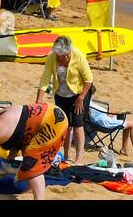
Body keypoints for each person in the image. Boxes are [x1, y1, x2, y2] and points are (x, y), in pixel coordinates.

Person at [36, 35, 92, 165]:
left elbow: (89, 79)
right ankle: (66, 155)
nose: (66, 57)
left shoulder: (77, 55)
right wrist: (38, 101)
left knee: (78, 125)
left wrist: (81, 98)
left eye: (67, 55)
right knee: (65, 125)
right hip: (61, 94)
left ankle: (79, 158)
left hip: (79, 93)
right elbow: (45, 79)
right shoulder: (51, 58)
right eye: (63, 56)